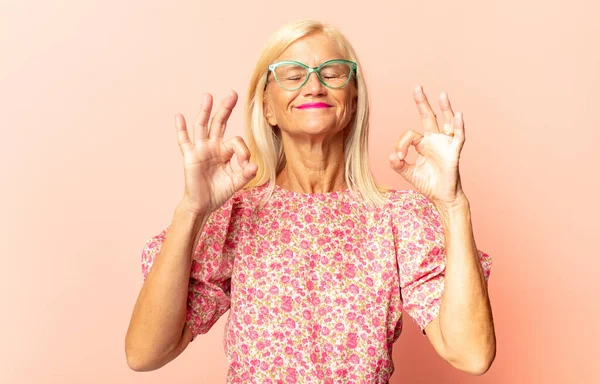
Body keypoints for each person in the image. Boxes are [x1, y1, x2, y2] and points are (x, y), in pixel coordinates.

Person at [125, 19, 495, 383]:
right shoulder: (237, 214)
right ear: (268, 107)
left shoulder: (398, 218)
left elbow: (472, 355)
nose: (314, 85)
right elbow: (145, 353)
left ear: (353, 101)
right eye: (291, 73)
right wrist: (192, 209)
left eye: (332, 72)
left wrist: (452, 205)